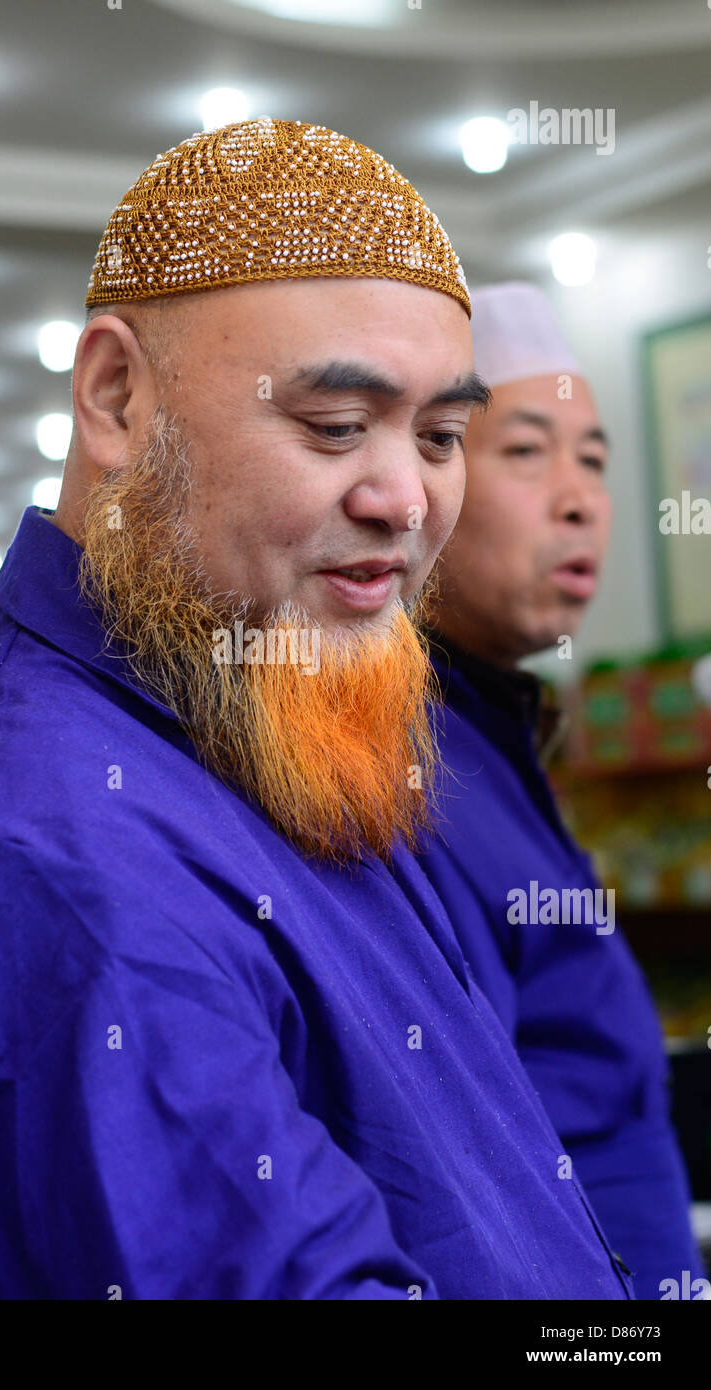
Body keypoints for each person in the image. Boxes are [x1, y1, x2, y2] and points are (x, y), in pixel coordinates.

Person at [0, 120, 633, 1300]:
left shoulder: (273, 710)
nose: (405, 497)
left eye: (444, 436)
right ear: (114, 395)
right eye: (335, 426)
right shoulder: (30, 848)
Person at [419, 280, 704, 1300]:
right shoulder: (403, 781)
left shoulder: (500, 740)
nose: (579, 497)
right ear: (428, 479)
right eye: (527, 451)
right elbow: (454, 1181)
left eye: (593, 459)